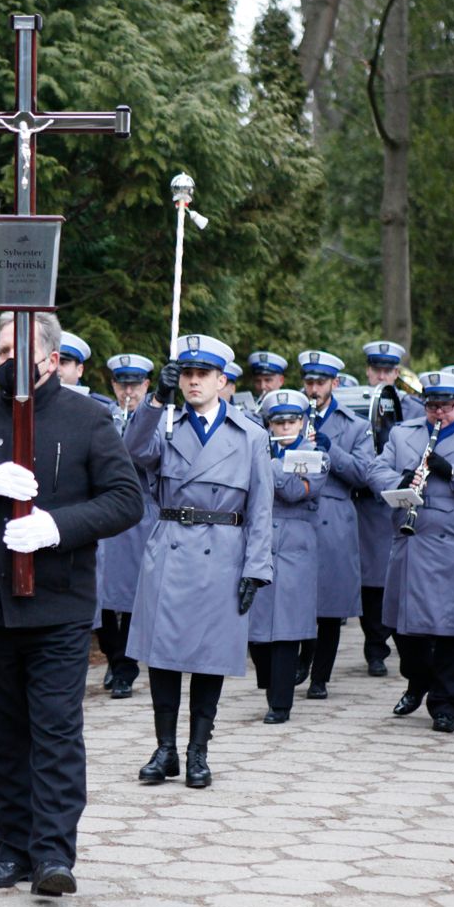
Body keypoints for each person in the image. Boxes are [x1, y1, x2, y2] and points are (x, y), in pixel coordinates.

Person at [0, 312, 143, 898]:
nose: (6, 354)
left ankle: (53, 855)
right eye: (1, 345)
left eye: (17, 345)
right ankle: (9, 849)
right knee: (2, 732)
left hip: (58, 606)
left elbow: (125, 500)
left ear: (48, 355)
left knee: (57, 731)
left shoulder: (87, 418)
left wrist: (55, 528)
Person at [125, 335, 274, 788]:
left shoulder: (250, 436)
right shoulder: (164, 424)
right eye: (186, 374)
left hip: (223, 550)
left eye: (202, 374)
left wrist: (256, 568)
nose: (192, 381)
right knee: (164, 655)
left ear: (222, 380)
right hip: (171, 544)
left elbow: (262, 508)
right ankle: (165, 748)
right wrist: (154, 400)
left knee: (210, 657)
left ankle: (198, 752)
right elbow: (131, 451)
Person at [369, 369, 454, 732]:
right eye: (432, 405)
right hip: (412, 542)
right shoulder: (404, 433)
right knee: (404, 628)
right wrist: (399, 481)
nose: (438, 413)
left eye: (446, 405)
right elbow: (375, 469)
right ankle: (418, 680)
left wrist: (453, 471)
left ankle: (446, 704)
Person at [247, 389, 330, 723]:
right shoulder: (255, 450)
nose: (284, 428)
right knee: (257, 628)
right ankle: (269, 684)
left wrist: (266, 463)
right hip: (260, 539)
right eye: (277, 422)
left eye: (291, 421)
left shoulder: (316, 454)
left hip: (296, 544)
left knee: (287, 628)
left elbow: (295, 490)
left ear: (303, 422)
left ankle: (280, 703)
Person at [299, 349, 375, 699]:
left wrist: (331, 450)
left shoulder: (355, 425)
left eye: (320, 382)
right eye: (309, 382)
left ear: (335, 383)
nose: (313, 389)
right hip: (298, 513)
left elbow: (364, 474)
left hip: (335, 515)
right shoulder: (291, 416)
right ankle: (300, 660)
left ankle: (320, 676)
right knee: (298, 596)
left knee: (329, 605)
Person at [357, 340, 422, 677]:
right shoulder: (354, 403)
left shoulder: (413, 410)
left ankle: (398, 643)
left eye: (388, 370)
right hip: (366, 505)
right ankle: (375, 649)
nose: (381, 375)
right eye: (376, 369)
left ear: (397, 374)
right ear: (368, 371)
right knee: (369, 582)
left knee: (393, 579)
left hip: (399, 503)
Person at [95, 353, 157, 698]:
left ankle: (126, 668)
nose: (128, 391)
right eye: (122, 384)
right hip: (105, 512)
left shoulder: (159, 419)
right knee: (102, 594)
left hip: (139, 512)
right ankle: (112, 656)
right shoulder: (103, 416)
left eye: (135, 384)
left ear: (147, 385)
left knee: (134, 596)